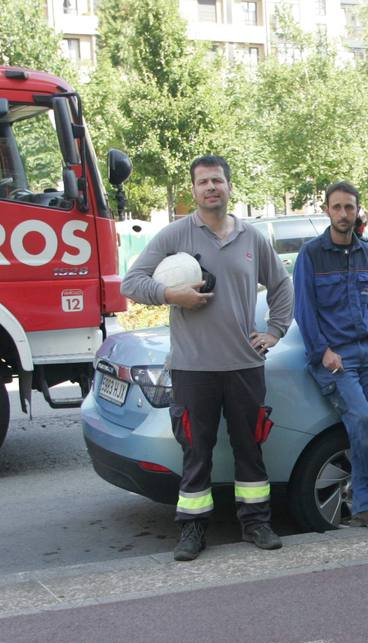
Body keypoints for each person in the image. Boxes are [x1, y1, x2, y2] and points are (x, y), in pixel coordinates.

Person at [121, 155, 294, 562]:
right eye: (203, 182)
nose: (211, 188)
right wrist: (170, 295)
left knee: (250, 447)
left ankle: (256, 523)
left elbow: (282, 285)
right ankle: (192, 529)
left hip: (245, 366)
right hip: (192, 368)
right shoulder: (175, 235)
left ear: (229, 187)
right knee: (196, 451)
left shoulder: (252, 238)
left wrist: (274, 332)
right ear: (194, 190)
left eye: (217, 180)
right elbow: (132, 282)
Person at [293, 181, 368, 530]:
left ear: (357, 211)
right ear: (327, 210)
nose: (343, 214)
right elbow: (304, 312)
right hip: (335, 359)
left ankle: (365, 506)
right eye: (337, 207)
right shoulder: (311, 254)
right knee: (363, 422)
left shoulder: (366, 252)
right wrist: (322, 352)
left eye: (349, 208)